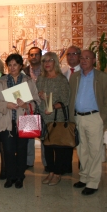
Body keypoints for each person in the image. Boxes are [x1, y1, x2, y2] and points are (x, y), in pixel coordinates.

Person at [0, 53, 40, 189]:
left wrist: (26, 105)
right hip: (7, 120)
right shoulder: (1, 81)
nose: (12, 67)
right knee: (8, 150)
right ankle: (10, 176)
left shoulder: (28, 81)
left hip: (23, 120)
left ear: (20, 66)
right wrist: (6, 105)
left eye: (15, 65)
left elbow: (37, 100)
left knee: (21, 150)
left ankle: (20, 176)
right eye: (10, 65)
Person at [69, 50, 107, 195]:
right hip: (78, 118)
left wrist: (102, 117)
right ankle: (84, 177)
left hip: (94, 118)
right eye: (81, 57)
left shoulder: (103, 78)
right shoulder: (75, 77)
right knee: (82, 150)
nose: (83, 60)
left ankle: (93, 182)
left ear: (94, 60)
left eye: (87, 58)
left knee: (95, 150)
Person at [36, 52, 70, 186]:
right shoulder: (41, 79)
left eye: (50, 60)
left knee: (58, 147)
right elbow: (36, 97)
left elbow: (66, 100)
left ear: (55, 62)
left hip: (57, 118)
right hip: (44, 118)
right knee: (47, 147)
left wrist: (53, 106)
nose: (47, 63)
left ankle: (57, 174)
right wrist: (38, 96)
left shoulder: (61, 79)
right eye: (44, 61)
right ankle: (50, 171)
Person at [23, 47, 47, 171]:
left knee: (44, 135)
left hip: (43, 106)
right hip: (29, 106)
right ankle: (29, 161)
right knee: (29, 135)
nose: (34, 57)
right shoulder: (24, 71)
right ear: (28, 56)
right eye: (31, 55)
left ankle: (46, 162)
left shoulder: (47, 70)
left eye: (36, 54)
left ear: (41, 56)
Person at [61, 45, 82, 173]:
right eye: (68, 54)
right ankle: (66, 167)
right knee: (66, 140)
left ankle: (83, 166)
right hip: (65, 113)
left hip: (80, 112)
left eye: (74, 54)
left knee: (82, 140)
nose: (71, 57)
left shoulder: (85, 72)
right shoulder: (63, 72)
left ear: (79, 56)